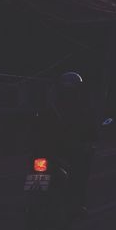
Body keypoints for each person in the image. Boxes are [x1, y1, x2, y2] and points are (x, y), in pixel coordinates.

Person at [31, 71, 99, 216]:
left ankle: (35, 200)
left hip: (51, 148)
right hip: (66, 149)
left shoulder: (51, 104)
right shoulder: (80, 107)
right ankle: (77, 205)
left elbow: (38, 126)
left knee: (39, 169)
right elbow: (89, 127)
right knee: (80, 174)